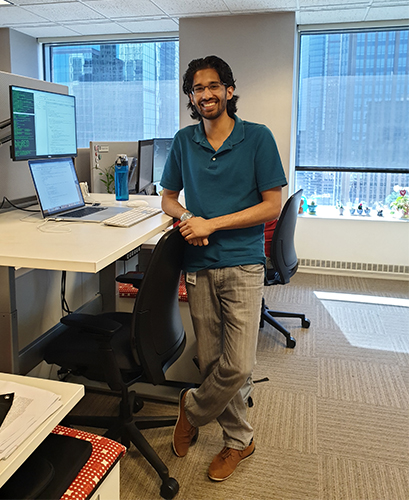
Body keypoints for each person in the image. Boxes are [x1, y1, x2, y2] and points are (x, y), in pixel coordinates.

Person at [160, 55, 288, 482]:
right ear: (191, 98)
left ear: (229, 91)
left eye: (214, 86)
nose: (206, 95)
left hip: (243, 264)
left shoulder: (257, 138)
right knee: (211, 360)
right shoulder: (184, 140)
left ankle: (191, 409)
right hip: (198, 265)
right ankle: (240, 440)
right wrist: (185, 220)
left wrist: (211, 223)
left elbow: (273, 204)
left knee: (238, 365)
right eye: (198, 89)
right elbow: (168, 198)